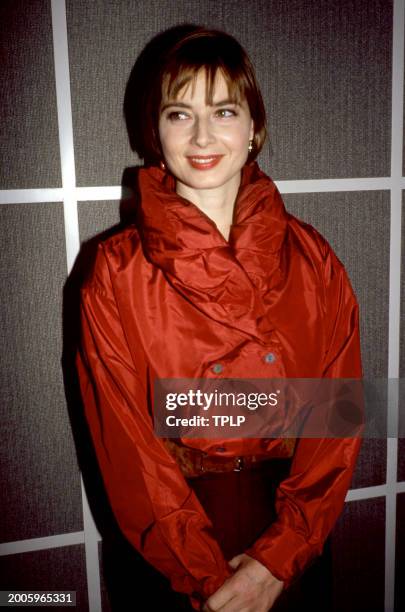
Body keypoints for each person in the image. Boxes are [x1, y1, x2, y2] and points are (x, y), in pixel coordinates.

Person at [75, 25, 363, 611]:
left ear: (254, 127)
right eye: (179, 113)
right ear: (154, 131)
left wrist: (275, 562)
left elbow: (340, 417)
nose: (203, 135)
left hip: (291, 531)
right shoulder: (113, 271)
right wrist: (209, 581)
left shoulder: (314, 259)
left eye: (224, 110)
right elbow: (128, 449)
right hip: (168, 537)